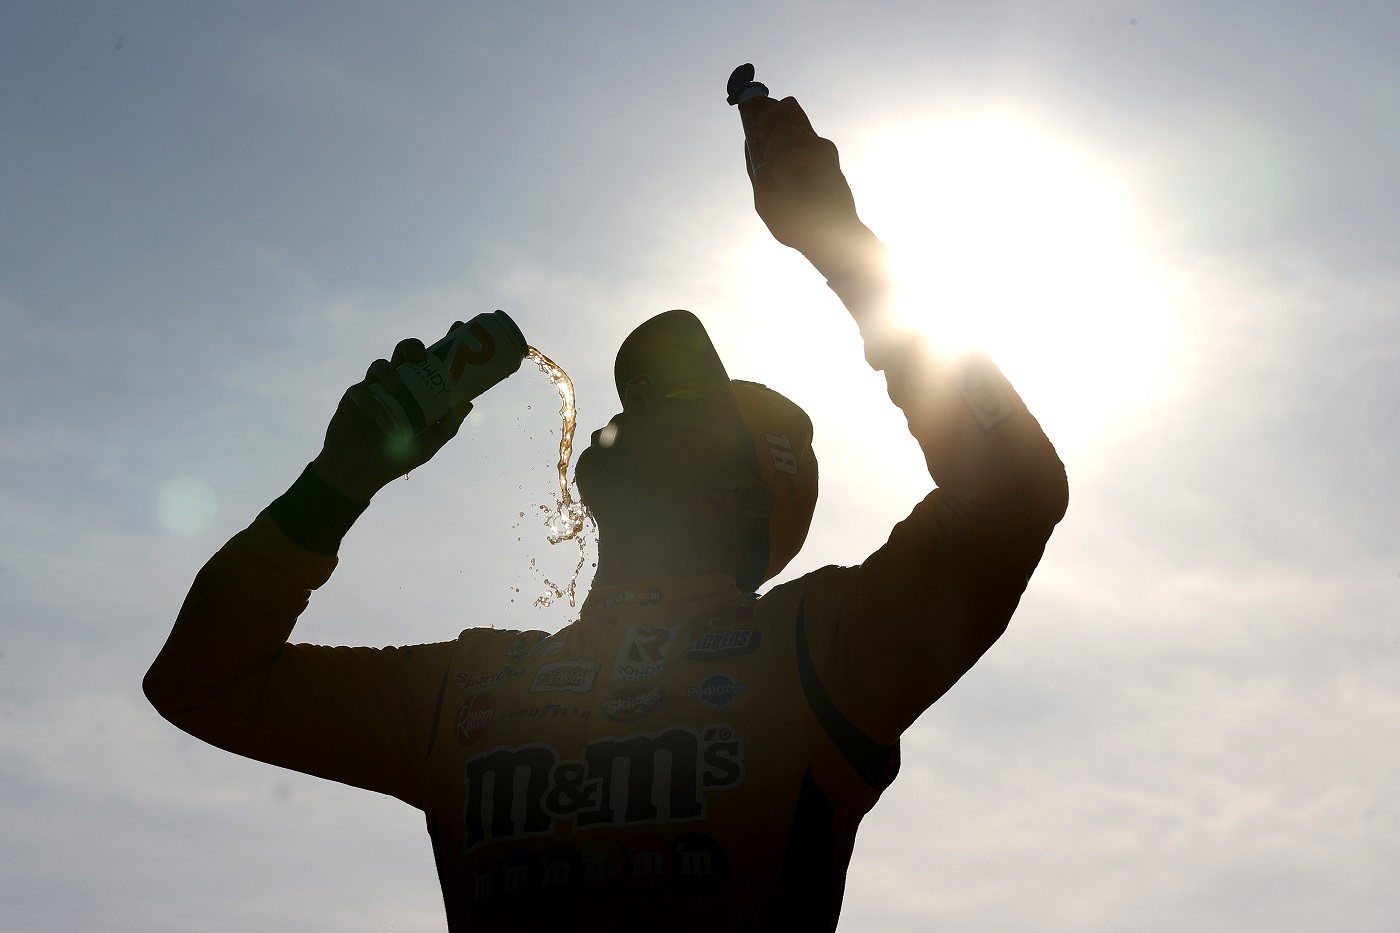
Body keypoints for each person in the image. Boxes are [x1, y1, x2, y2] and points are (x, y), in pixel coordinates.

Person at [145, 89, 1068, 932]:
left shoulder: (818, 654)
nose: (636, 408)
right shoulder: (470, 689)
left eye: (685, 408)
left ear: (739, 492)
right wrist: (339, 481)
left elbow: (1016, 492)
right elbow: (198, 683)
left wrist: (842, 244)